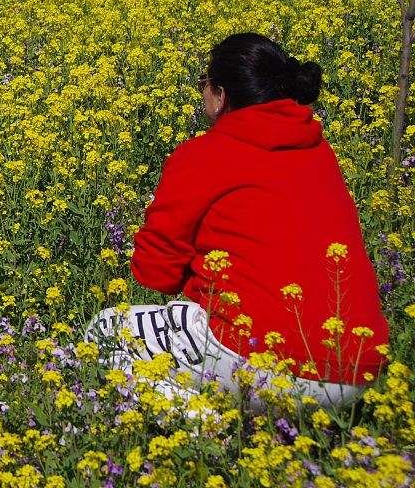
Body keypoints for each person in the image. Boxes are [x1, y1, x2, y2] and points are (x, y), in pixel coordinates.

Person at [86, 33, 389, 409]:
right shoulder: (319, 150)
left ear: (221, 94)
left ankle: (205, 438)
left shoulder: (201, 156)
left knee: (105, 331)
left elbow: (156, 274)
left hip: (266, 364)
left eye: (204, 85)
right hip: (357, 369)